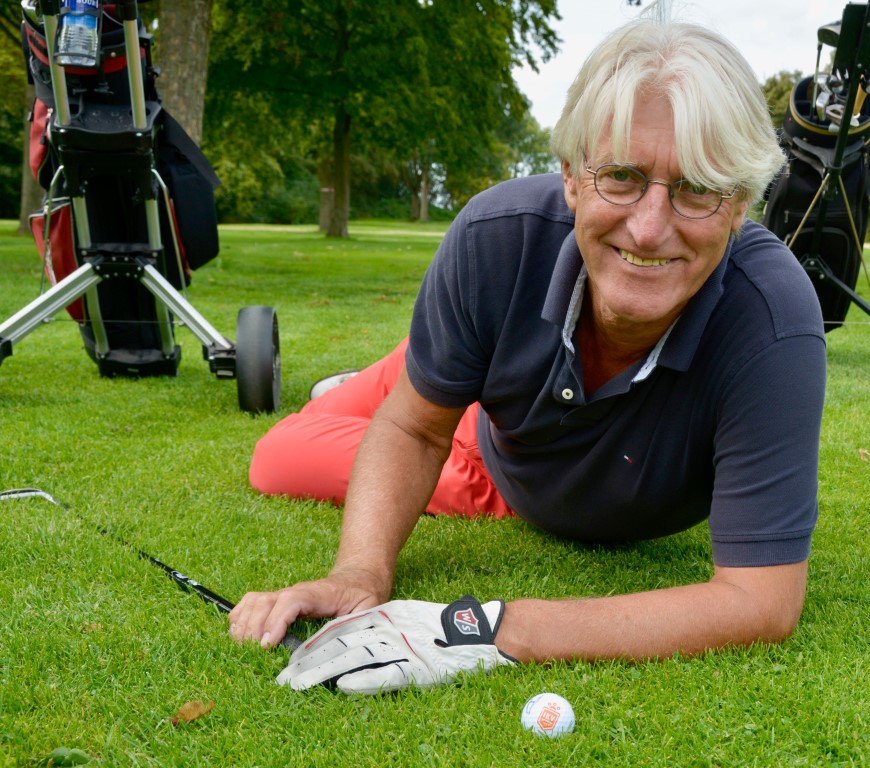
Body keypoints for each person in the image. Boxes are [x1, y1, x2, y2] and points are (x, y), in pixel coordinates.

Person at [229, 15, 827, 695]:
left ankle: (425, 378)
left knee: (290, 451)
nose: (649, 228)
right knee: (276, 456)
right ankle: (428, 370)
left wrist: (493, 628)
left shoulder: (773, 320)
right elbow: (414, 427)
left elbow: (761, 601)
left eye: (697, 189)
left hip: (493, 462)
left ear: (740, 205)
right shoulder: (494, 237)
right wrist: (358, 574)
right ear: (571, 176)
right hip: (462, 395)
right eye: (621, 177)